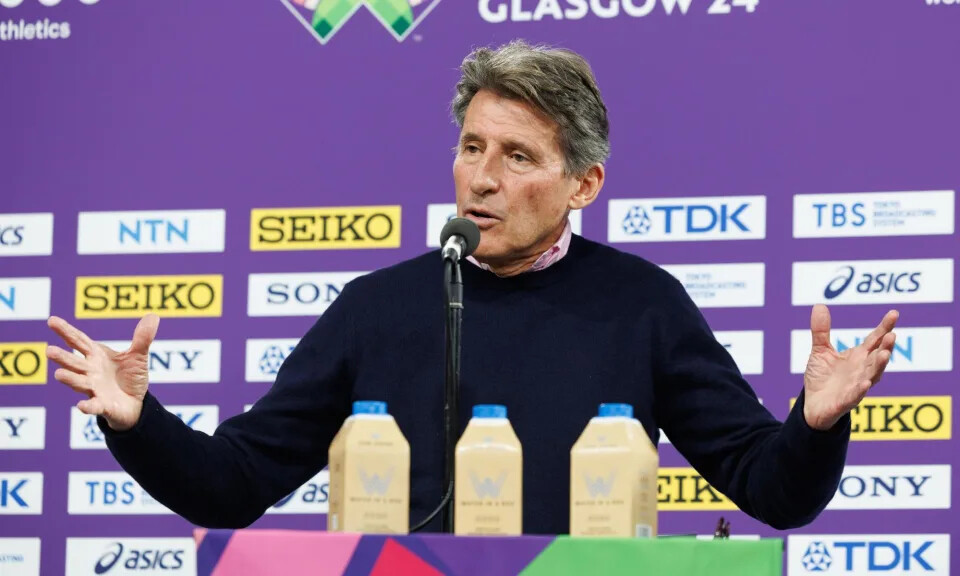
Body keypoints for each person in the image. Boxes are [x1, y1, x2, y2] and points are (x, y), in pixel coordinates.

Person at [46, 40, 898, 534]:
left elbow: (771, 489)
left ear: (584, 185)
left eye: (518, 156)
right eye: (471, 147)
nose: (481, 178)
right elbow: (232, 484)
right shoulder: (376, 309)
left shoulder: (642, 304)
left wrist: (817, 424)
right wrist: (137, 421)